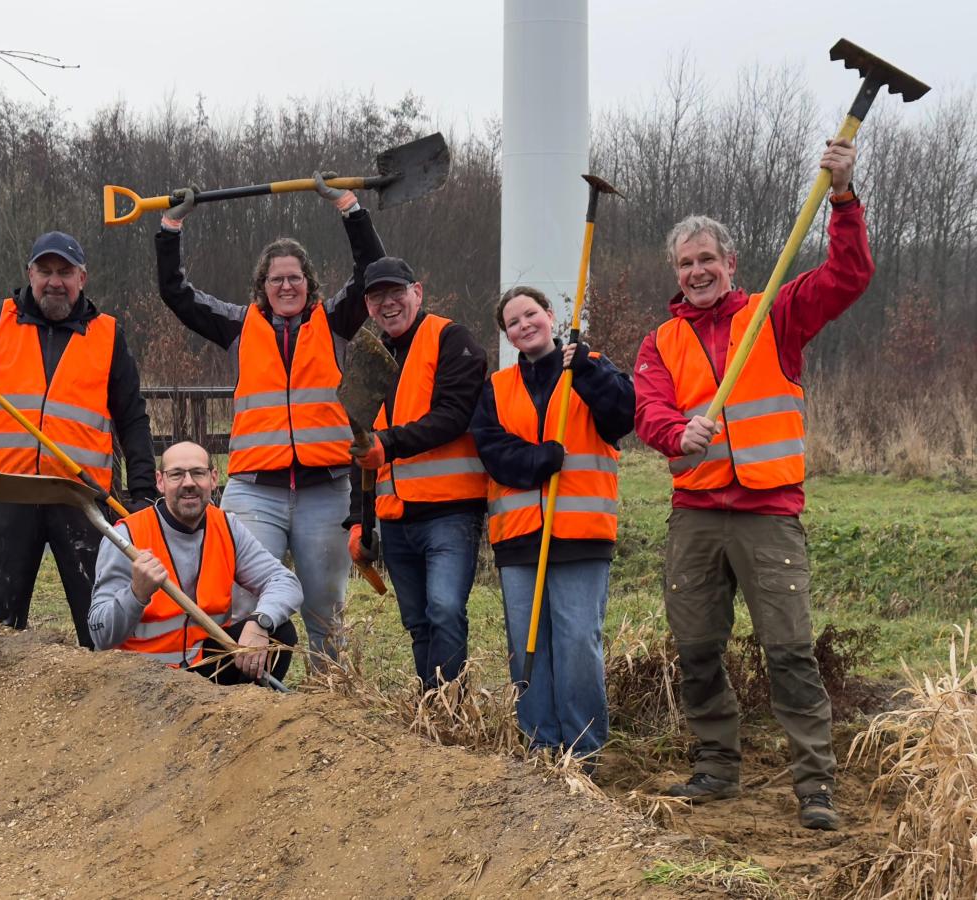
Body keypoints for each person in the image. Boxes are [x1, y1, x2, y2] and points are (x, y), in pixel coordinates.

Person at [633, 139, 874, 831]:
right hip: (697, 515)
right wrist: (678, 434)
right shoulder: (661, 342)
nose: (698, 270)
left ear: (730, 264)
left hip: (769, 512)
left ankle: (814, 787)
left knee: (790, 650)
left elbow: (850, 274)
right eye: (686, 263)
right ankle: (716, 766)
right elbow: (648, 410)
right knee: (697, 646)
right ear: (676, 273)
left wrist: (843, 197)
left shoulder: (776, 312)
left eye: (708, 259)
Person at [154, 174, 384, 663]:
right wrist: (171, 225)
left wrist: (348, 207)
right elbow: (176, 293)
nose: (286, 285)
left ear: (309, 284)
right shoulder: (238, 325)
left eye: (295, 278)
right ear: (262, 286)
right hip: (256, 490)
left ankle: (329, 703)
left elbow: (370, 271)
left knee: (325, 608)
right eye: (276, 278)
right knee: (246, 601)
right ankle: (251, 704)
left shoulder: (334, 320)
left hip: (326, 491)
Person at [0, 231, 157, 648]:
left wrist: (143, 492)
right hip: (10, 491)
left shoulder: (108, 335)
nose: (54, 281)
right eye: (45, 271)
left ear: (82, 278)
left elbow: (133, 419)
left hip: (81, 497)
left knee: (100, 630)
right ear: (29, 274)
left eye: (65, 272)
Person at [470, 286, 635, 760]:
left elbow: (623, 414)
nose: (524, 325)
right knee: (527, 647)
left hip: (581, 536)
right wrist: (542, 460)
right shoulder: (497, 388)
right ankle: (540, 744)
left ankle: (584, 749)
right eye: (513, 322)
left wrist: (585, 368)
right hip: (520, 538)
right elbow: (492, 449)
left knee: (578, 642)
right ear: (507, 335)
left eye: (530, 314)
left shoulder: (591, 367)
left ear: (550, 315)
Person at [348, 257, 488, 689]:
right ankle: (433, 710)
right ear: (368, 306)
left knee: (444, 609)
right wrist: (358, 520)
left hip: (450, 512)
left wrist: (386, 444)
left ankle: (450, 711)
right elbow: (359, 442)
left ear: (418, 292)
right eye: (376, 298)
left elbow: (453, 415)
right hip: (395, 517)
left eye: (396, 293)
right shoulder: (370, 355)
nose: (387, 304)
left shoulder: (451, 339)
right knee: (418, 622)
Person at [88, 441, 301, 685]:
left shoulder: (227, 527)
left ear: (212, 478)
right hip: (141, 677)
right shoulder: (127, 537)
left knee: (279, 631)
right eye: (176, 474)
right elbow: (100, 634)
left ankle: (246, 716)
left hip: (203, 666)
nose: (188, 483)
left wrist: (260, 621)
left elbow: (284, 582)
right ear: (160, 481)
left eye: (197, 473)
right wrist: (136, 594)